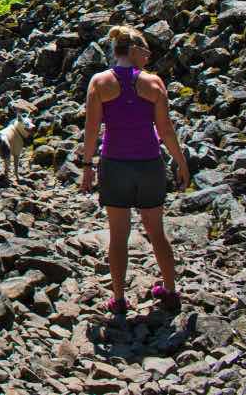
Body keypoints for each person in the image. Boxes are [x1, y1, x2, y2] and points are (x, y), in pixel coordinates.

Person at [79, 25, 190, 315]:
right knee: (157, 231)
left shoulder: (99, 82)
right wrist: (180, 162)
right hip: (149, 164)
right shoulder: (154, 84)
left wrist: (87, 166)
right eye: (146, 51)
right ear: (134, 50)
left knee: (118, 235)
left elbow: (92, 130)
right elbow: (165, 130)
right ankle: (169, 290)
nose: (149, 56)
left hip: (115, 165)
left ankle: (118, 298)